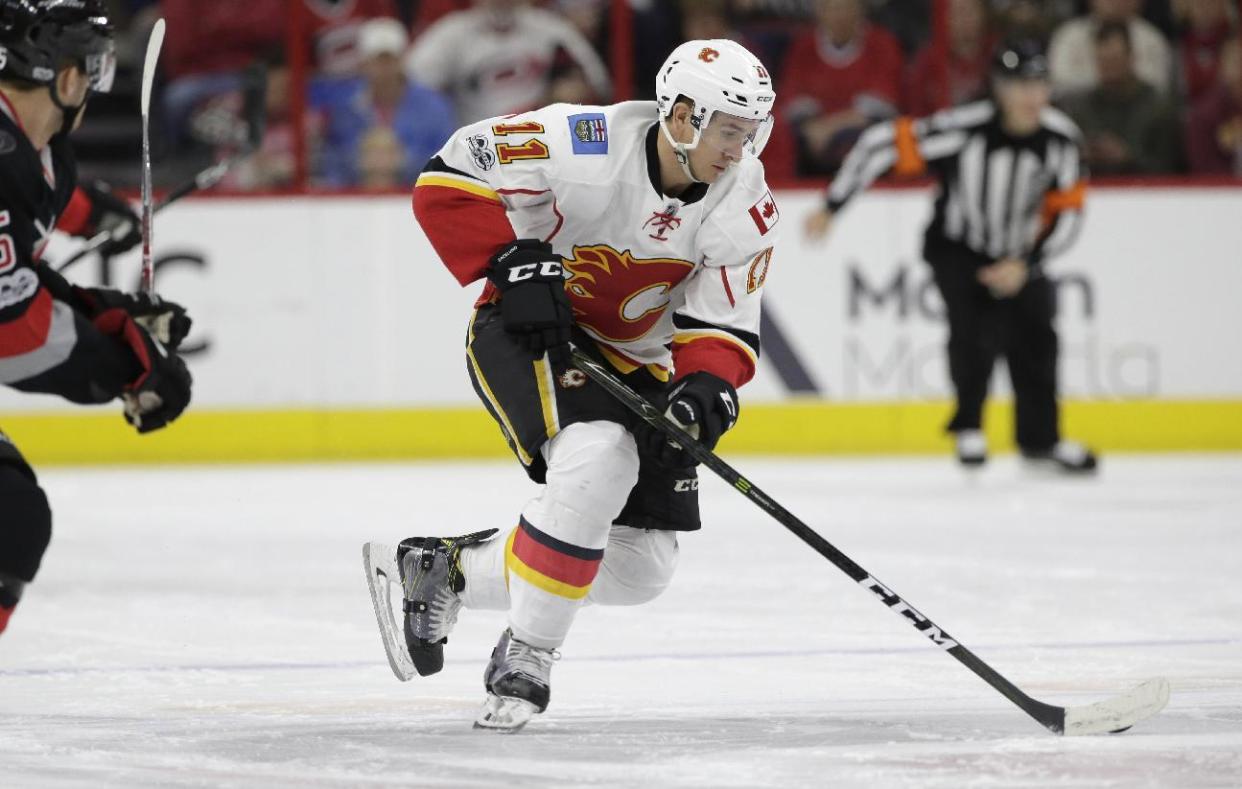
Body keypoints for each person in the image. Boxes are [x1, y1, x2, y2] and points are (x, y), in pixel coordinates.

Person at [364, 39, 779, 731]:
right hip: (530, 331)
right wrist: (510, 261)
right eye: (729, 130)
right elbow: (447, 177)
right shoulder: (580, 143)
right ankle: (527, 654)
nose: (741, 149)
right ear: (680, 116)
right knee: (598, 455)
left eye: (750, 132)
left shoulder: (745, 198)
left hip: (635, 362)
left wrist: (703, 393)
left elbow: (723, 325)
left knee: (642, 565)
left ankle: (446, 570)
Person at [804, 40, 1097, 473]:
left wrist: (1026, 265)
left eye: (1040, 85)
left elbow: (1069, 214)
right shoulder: (966, 129)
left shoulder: (1060, 140)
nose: (1032, 97)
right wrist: (833, 204)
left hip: (1021, 253)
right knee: (973, 330)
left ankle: (1041, 442)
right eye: (1020, 86)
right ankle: (969, 427)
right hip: (959, 246)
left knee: (1037, 337)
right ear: (999, 88)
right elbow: (881, 144)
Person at [0, 0, 194, 637]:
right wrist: (121, 364)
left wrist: (105, 316)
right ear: (63, 77)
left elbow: (17, 286)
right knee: (9, 518)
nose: (92, 84)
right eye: (89, 69)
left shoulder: (34, 155)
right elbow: (13, 332)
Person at [404, 0, 612, 124]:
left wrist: (566, 88)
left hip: (542, 140)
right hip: (478, 144)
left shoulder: (550, 29)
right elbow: (410, 81)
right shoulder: (453, 33)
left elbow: (598, 81)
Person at [311, 18, 455, 187]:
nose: (385, 68)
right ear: (364, 63)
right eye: (378, 61)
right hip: (354, 199)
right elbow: (333, 160)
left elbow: (447, 159)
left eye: (391, 60)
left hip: (415, 193)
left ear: (403, 61)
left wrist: (401, 162)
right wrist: (361, 163)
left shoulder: (434, 107)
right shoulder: (345, 107)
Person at [776, 0, 904, 176]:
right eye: (832, 8)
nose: (839, 16)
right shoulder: (804, 47)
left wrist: (829, 128)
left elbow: (882, 106)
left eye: (846, 7)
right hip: (814, 150)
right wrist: (812, 127)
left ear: (860, 10)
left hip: (865, 150)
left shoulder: (881, 44)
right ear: (819, 11)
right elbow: (793, 103)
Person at [1060, 21, 1181, 175]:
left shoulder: (1159, 108)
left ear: (1131, 58)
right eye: (1103, 61)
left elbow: (1170, 169)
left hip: (1144, 193)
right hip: (1095, 189)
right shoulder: (1081, 107)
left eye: (1114, 60)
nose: (1109, 68)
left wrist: (1128, 159)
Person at [1048, 0, 1172, 97]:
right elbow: (1060, 86)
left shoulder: (1153, 39)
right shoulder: (1068, 35)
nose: (1116, 1)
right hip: (1082, 119)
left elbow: (1157, 87)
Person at [1186, 35, 1242, 174]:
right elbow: (1204, 170)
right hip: (1223, 192)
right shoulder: (1204, 114)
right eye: (1237, 62)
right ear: (1223, 66)